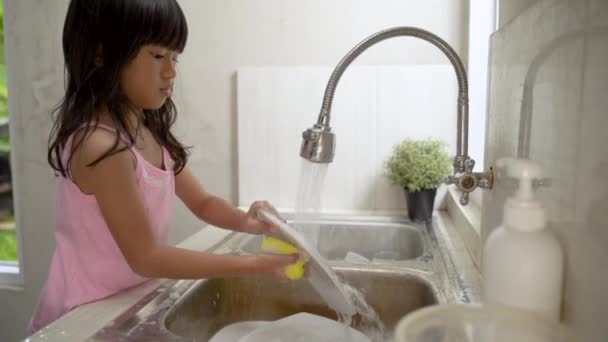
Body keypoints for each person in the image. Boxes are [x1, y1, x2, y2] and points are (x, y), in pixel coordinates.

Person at [30, 0, 296, 332]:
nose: (171, 70)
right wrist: (254, 264)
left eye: (175, 57)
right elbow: (147, 257)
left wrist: (247, 221)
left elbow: (202, 202)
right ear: (102, 53)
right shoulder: (100, 148)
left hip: (121, 305)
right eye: (157, 56)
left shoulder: (149, 135)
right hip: (78, 318)